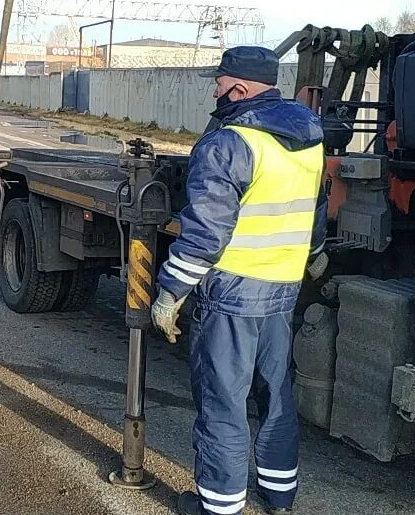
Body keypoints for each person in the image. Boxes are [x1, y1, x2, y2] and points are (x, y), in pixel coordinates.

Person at [151, 46, 329, 515]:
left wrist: (170, 293)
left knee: (223, 405)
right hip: (282, 290)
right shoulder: (310, 135)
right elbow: (316, 210)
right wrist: (310, 258)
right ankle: (279, 497)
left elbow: (205, 235)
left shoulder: (227, 142)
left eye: (220, 81)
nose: (215, 89)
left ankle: (219, 507)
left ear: (241, 87)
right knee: (275, 398)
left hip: (232, 295)